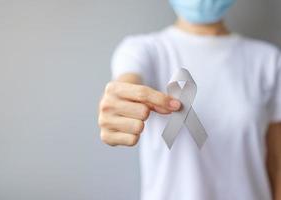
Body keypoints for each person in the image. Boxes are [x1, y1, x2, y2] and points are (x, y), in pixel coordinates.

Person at [98, 0, 281, 199]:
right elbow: (127, 84)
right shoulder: (143, 50)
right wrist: (120, 102)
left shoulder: (268, 60)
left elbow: (277, 164)